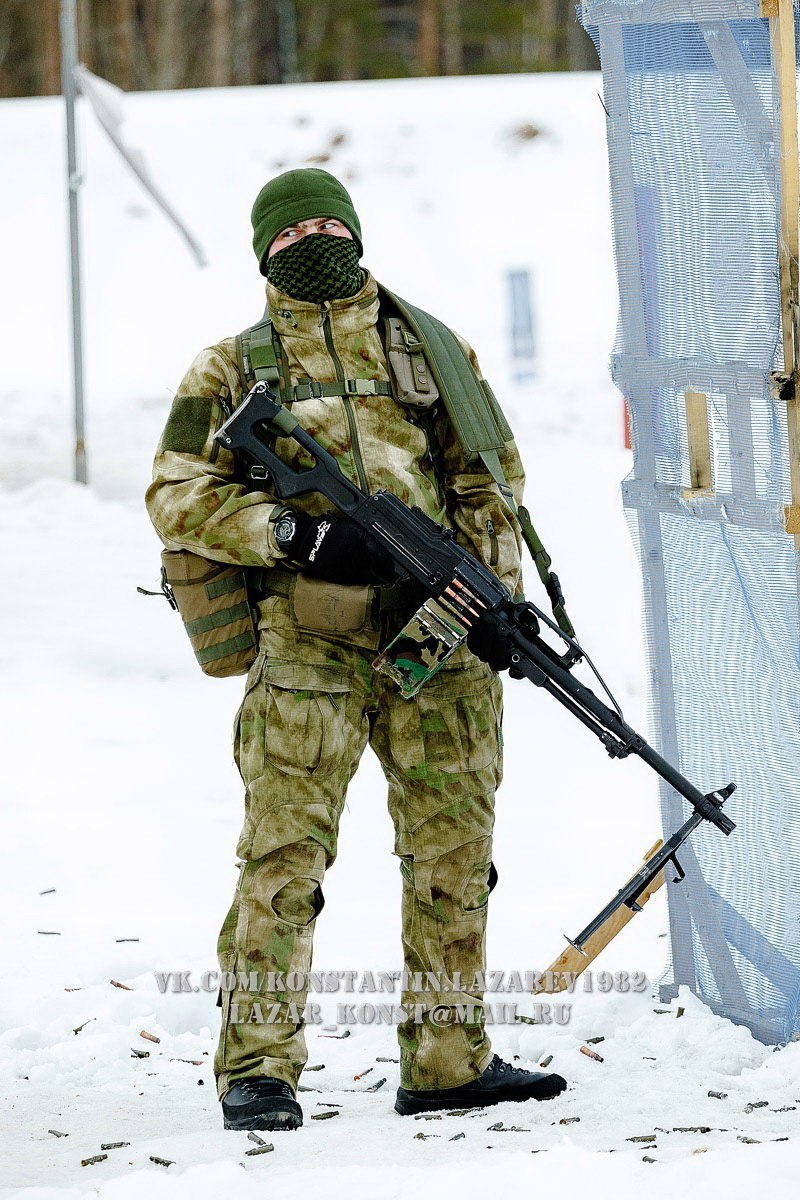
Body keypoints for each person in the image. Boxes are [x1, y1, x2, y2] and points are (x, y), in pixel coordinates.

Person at [145, 168, 567, 1131]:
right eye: (295, 234)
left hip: (441, 641)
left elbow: (489, 484)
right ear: (265, 253)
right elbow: (175, 493)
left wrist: (489, 598)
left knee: (454, 852)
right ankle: (257, 1066)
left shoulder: (432, 351)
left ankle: (449, 1060)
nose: (318, 241)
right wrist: (292, 537)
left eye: (334, 222)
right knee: (284, 857)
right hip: (308, 646)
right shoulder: (228, 370)